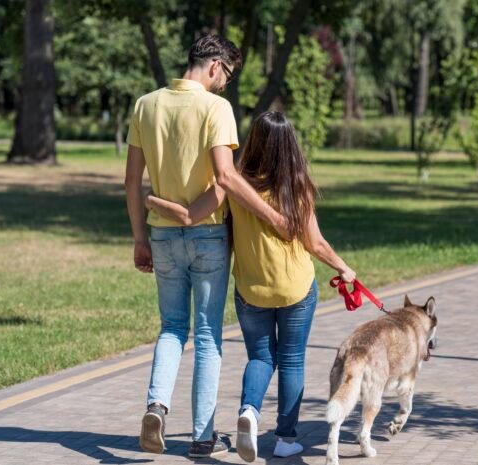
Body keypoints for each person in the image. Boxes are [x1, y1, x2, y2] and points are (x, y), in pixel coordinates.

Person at [145, 111, 356, 462]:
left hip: (251, 289)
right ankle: (286, 438)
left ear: (254, 142)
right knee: (291, 361)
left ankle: (249, 413)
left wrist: (152, 200)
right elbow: (315, 243)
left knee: (261, 357)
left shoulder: (232, 185)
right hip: (296, 290)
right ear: (290, 146)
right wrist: (344, 268)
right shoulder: (297, 186)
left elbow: (190, 215)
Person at [124, 36, 288, 459]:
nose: (224, 86)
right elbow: (226, 178)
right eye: (227, 76)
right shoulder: (216, 109)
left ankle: (156, 406)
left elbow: (130, 182)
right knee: (209, 335)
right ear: (215, 66)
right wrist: (273, 218)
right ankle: (201, 437)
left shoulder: (146, 104)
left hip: (160, 235)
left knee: (172, 327)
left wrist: (140, 238)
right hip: (209, 235)